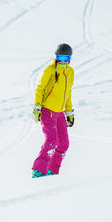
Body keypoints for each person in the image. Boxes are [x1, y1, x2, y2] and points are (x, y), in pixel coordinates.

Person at [31, 43, 75, 178]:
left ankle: (52, 170)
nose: (62, 61)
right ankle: (38, 170)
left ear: (69, 58)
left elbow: (68, 93)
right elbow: (40, 89)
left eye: (65, 58)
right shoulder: (49, 70)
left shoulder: (70, 72)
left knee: (64, 143)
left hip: (59, 113)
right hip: (47, 110)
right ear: (56, 57)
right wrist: (37, 107)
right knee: (51, 139)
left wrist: (69, 112)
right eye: (59, 58)